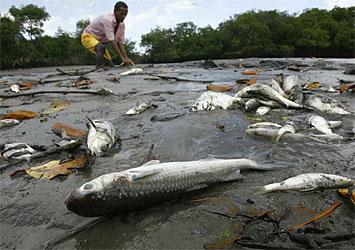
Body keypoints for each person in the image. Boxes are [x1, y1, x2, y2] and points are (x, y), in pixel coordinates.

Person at [81, 1, 134, 68]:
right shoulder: (107, 19)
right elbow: (112, 41)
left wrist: (126, 58)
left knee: (110, 65)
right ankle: (98, 68)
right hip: (87, 36)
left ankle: (104, 65)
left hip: (99, 42)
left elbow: (121, 43)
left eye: (125, 14)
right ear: (115, 11)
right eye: (121, 14)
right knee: (101, 47)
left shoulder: (122, 25)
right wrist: (122, 58)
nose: (123, 16)